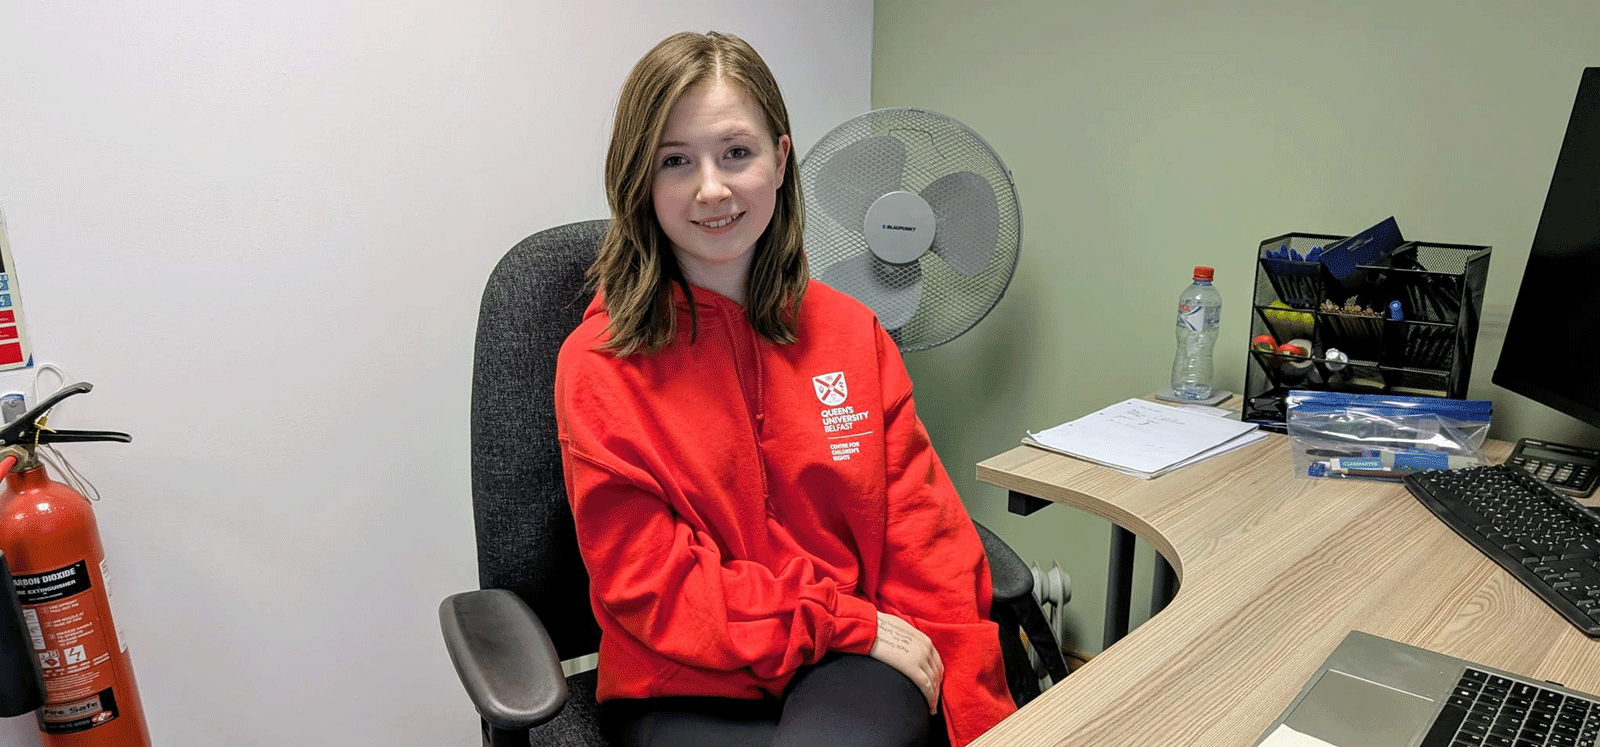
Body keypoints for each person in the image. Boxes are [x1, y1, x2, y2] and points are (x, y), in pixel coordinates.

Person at [554, 30, 1016, 747]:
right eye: (676, 161)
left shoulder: (853, 333)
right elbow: (659, 589)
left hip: (843, 664)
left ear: (780, 158)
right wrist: (839, 619)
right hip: (684, 677)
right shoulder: (599, 364)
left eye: (736, 152)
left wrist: (978, 711)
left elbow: (922, 536)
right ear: (640, 181)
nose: (712, 187)